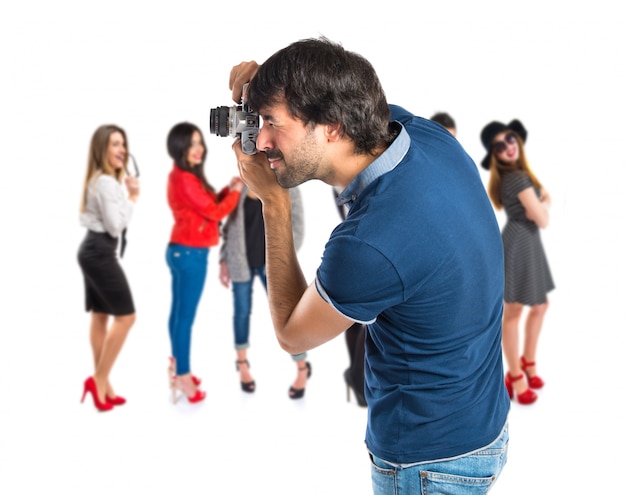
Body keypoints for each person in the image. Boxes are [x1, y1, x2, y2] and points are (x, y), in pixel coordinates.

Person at [228, 37, 509, 494]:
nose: (260, 140)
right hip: (484, 424)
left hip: (427, 464)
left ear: (333, 127)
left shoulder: (367, 246)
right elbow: (347, 94)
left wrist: (273, 204)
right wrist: (269, 87)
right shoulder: (423, 136)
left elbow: (291, 333)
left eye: (272, 123)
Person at [165, 122, 243, 404]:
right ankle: (183, 376)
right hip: (190, 254)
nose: (199, 149)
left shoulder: (184, 176)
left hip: (181, 251)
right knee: (184, 318)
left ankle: (177, 364)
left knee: (178, 314)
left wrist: (228, 189)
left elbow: (206, 204)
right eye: (191, 144)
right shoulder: (184, 179)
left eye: (200, 142)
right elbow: (214, 211)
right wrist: (236, 191)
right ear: (179, 147)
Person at [480, 119, 555, 405]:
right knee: (513, 313)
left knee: (539, 305)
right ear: (495, 155)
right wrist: (544, 200)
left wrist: (541, 199)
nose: (508, 146)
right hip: (519, 243)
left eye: (510, 139)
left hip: (527, 242)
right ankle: (515, 374)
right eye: (499, 145)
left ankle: (528, 362)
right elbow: (543, 219)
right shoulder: (518, 179)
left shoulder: (520, 176)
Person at [218, 185, 312, 398]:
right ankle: (242, 365)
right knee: (241, 313)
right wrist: (223, 259)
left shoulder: (284, 184)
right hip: (240, 262)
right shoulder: (239, 185)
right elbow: (229, 227)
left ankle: (302, 367)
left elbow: (298, 224)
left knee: (288, 316)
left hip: (272, 265)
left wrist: (285, 253)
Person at [77, 124, 140, 412]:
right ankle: (98, 379)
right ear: (102, 149)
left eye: (123, 144)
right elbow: (115, 227)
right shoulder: (105, 183)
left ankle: (105, 385)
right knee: (126, 317)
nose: (122, 150)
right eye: (115, 144)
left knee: (101, 315)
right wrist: (133, 198)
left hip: (92, 249)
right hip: (100, 252)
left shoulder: (101, 180)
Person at [332, 186, 367, 408]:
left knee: (356, 314)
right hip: (361, 243)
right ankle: (357, 377)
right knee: (362, 315)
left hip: (356, 242)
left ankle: (356, 375)